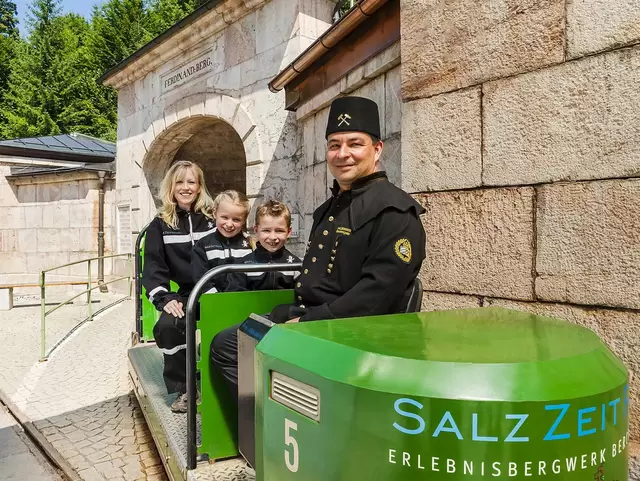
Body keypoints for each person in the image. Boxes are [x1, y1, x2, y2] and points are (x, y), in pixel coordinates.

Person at [210, 95, 426, 400]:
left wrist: (308, 322)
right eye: (334, 145)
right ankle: (273, 422)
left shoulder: (395, 212)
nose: (343, 154)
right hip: (311, 319)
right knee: (227, 344)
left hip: (349, 333)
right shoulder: (329, 208)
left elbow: (375, 296)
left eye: (355, 144)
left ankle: (282, 424)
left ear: (377, 149)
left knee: (231, 348)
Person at [141, 160, 216, 413]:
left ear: (199, 187)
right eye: (180, 182)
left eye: (191, 182)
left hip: (217, 290)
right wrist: (165, 299)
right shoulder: (160, 225)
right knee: (167, 326)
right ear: (171, 187)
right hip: (186, 293)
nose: (186, 187)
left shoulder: (213, 218)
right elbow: (153, 268)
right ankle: (186, 389)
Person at [210, 200, 301, 400]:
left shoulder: (296, 265)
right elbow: (234, 300)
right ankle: (250, 401)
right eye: (267, 231)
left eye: (279, 231)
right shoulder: (243, 265)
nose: (273, 237)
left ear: (289, 231)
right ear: (256, 230)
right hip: (248, 332)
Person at [191, 190, 254, 296]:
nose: (229, 224)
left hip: (244, 301)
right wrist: (216, 299)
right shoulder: (203, 245)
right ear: (215, 213)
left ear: (244, 220)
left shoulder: (250, 245)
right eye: (224, 217)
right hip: (213, 301)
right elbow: (199, 276)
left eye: (236, 220)